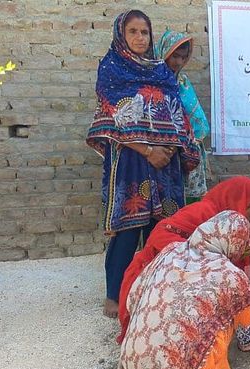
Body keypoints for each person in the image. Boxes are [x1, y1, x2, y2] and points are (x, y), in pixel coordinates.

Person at [86, 10, 200, 318]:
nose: (139, 37)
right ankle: (114, 294)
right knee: (128, 227)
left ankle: (155, 288)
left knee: (162, 227)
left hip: (166, 162)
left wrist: (169, 149)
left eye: (144, 32)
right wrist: (147, 150)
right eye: (133, 31)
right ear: (121, 35)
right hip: (131, 161)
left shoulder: (161, 72)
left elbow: (178, 115)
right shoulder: (111, 68)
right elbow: (110, 117)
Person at [117, 176, 250, 344]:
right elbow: (159, 235)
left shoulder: (233, 226)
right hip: (157, 274)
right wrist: (200, 259)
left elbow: (237, 267)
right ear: (235, 198)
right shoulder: (204, 212)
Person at [118, 210, 250, 369]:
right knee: (228, 311)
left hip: (134, 364)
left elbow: (134, 297)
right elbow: (247, 338)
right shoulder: (229, 275)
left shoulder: (170, 251)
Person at [154, 28, 213, 205]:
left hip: (187, 154)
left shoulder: (183, 82)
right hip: (163, 154)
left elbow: (197, 120)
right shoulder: (153, 84)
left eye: (183, 57)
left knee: (188, 211)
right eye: (175, 56)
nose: (178, 62)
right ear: (164, 53)